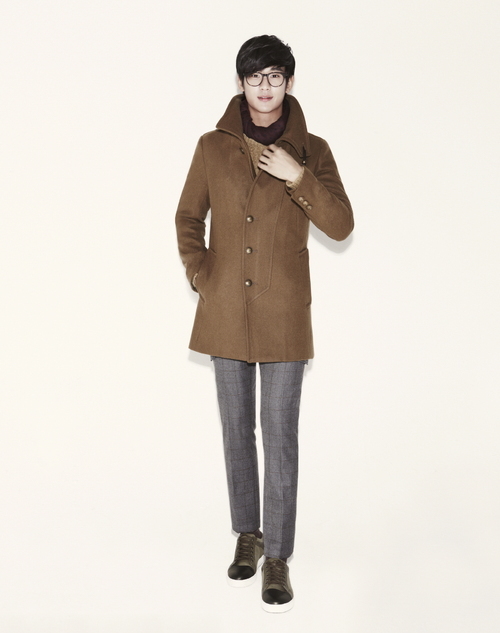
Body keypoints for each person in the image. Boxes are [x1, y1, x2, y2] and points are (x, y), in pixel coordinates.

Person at [175, 34, 353, 613]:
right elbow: (188, 217)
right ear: (241, 82)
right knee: (236, 430)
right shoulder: (212, 146)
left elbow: (341, 224)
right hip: (225, 309)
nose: (265, 87)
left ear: (289, 82)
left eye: (276, 76)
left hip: (284, 314)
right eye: (255, 77)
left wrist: (299, 177)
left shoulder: (314, 150)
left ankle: (277, 556)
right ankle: (247, 535)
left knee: (279, 434)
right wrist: (201, 274)